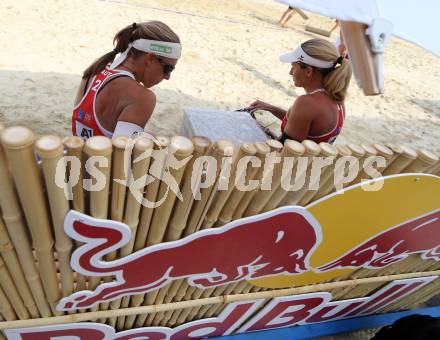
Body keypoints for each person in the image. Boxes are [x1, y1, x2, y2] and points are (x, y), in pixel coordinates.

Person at [72, 21, 181, 139]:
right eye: (168, 69)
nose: (167, 77)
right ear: (150, 58)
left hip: (71, 153)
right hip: (98, 158)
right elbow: (123, 153)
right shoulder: (142, 98)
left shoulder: (98, 66)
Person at [248, 38, 352, 144]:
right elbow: (302, 124)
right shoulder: (337, 97)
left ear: (308, 71)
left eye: (293, 66)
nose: (290, 72)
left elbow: (286, 147)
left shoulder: (307, 103)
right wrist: (271, 108)